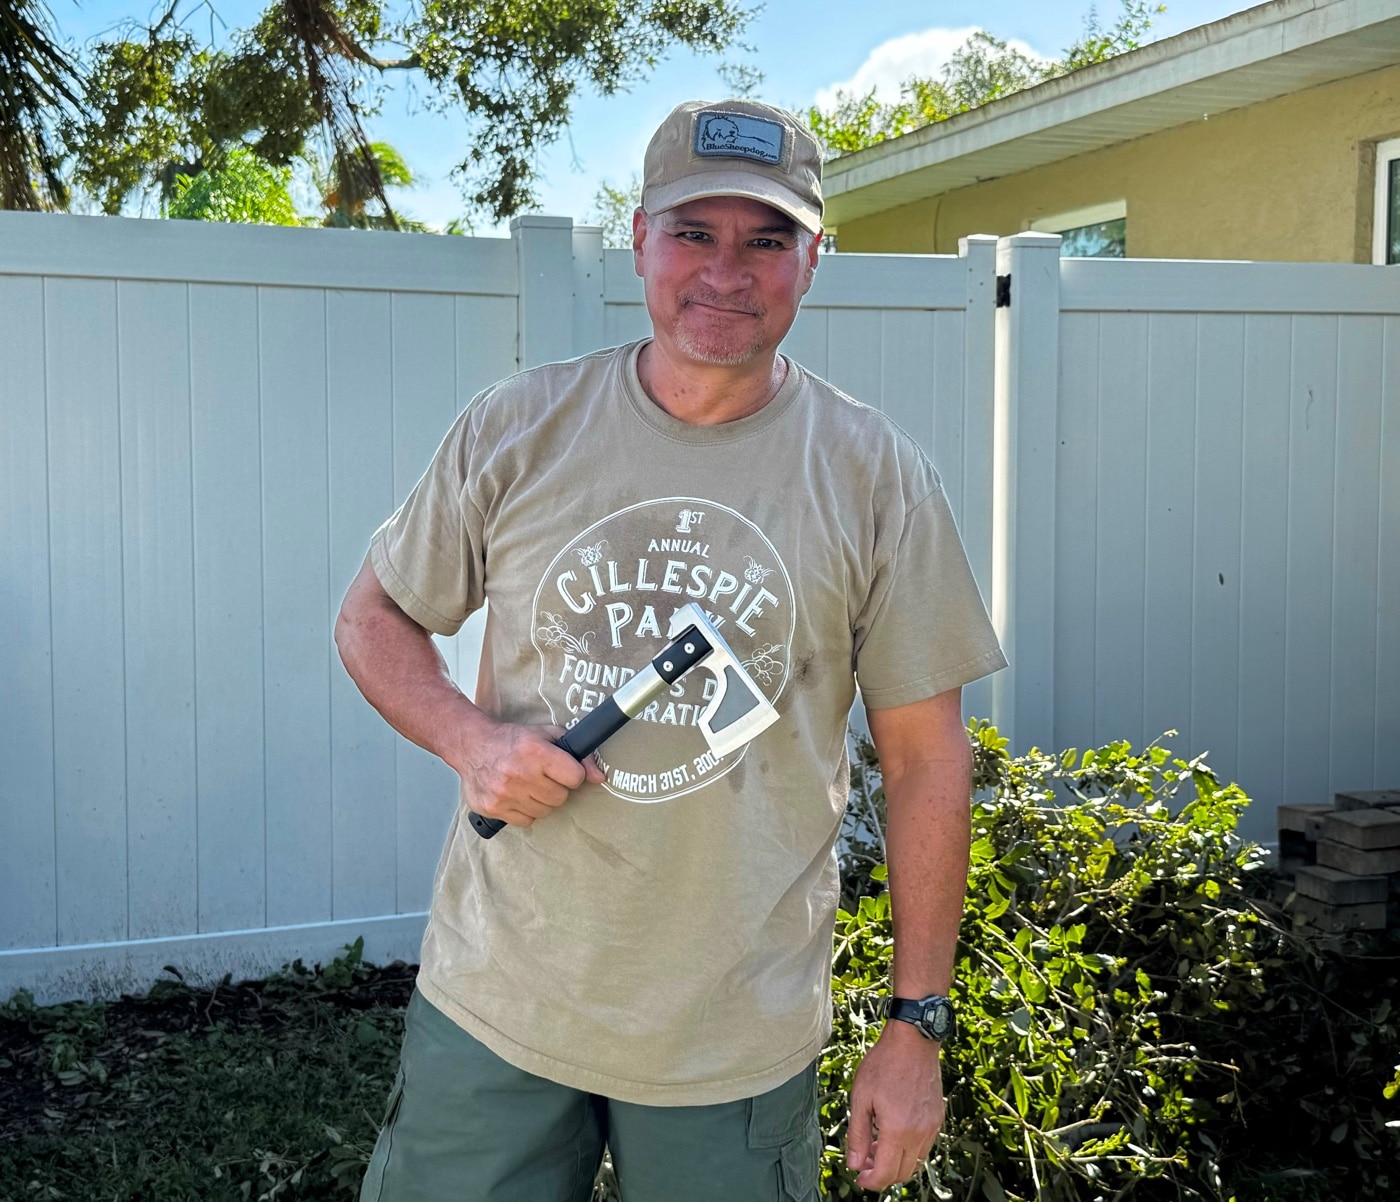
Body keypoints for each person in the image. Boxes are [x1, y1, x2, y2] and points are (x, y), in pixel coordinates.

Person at [334, 98, 1006, 1202]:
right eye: (694, 232)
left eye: (766, 238)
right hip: (500, 998)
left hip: (732, 1034)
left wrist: (913, 1027)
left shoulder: (873, 474)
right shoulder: (519, 427)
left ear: (813, 257)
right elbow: (372, 617)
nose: (725, 272)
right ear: (639, 238)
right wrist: (469, 740)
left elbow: (929, 761)